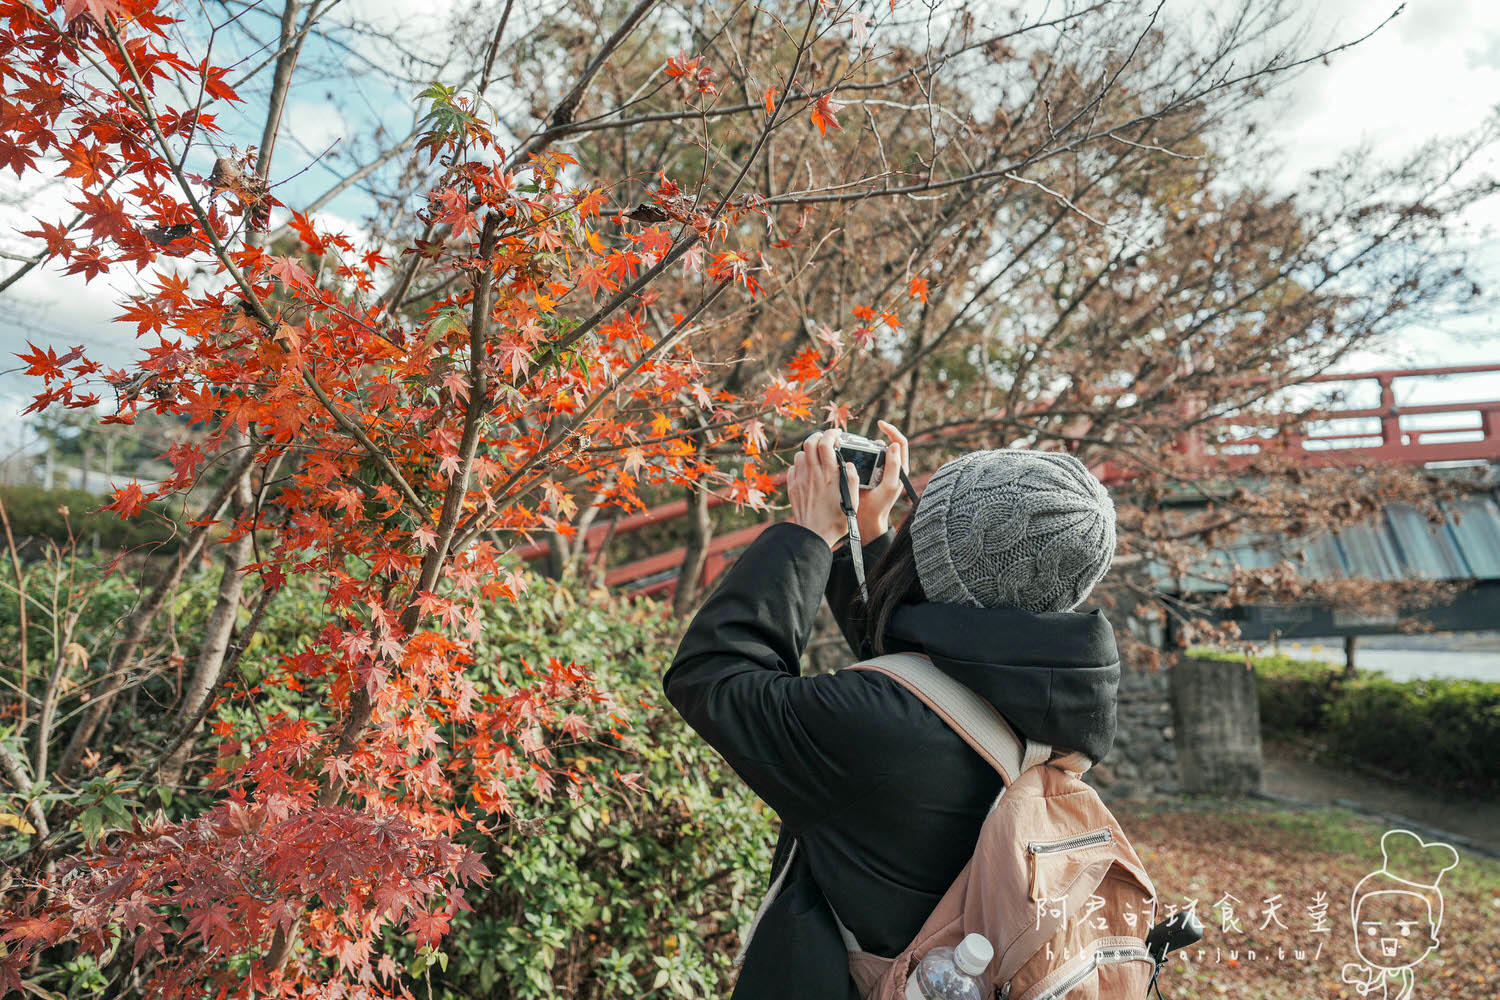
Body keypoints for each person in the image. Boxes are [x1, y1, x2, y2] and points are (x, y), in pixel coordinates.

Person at [664, 422, 1122, 999]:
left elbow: (713, 676)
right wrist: (869, 533)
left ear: (933, 556)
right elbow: (928, 684)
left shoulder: (881, 725)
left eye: (919, 520)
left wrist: (806, 534)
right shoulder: (1053, 704)